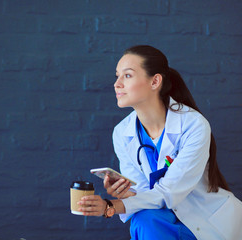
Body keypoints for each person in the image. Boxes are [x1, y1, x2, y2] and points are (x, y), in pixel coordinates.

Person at [77, 45, 242, 239]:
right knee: (144, 219)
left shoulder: (194, 125)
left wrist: (111, 206)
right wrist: (126, 193)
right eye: (117, 76)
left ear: (155, 81)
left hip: (206, 224)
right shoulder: (122, 133)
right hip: (160, 221)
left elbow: (170, 192)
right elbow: (143, 194)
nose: (117, 84)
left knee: (146, 219)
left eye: (127, 76)